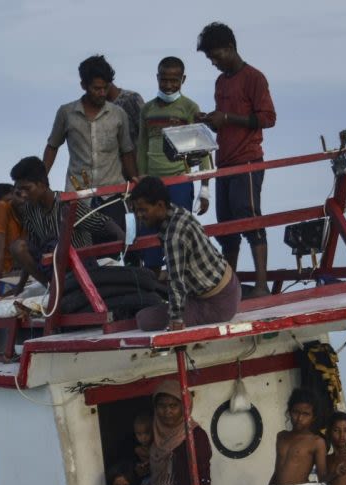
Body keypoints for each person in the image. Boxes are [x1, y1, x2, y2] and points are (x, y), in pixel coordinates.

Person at [195, 22, 276, 297]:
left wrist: (227, 118)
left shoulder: (254, 78)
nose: (214, 62)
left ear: (230, 48)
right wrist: (210, 120)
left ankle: (262, 285)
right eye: (210, 58)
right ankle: (231, 287)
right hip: (225, 162)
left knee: (250, 218)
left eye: (216, 56)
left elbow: (268, 118)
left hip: (248, 160)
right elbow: (222, 121)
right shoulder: (221, 82)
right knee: (226, 226)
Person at [129, 177, 240, 332]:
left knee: (144, 319)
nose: (139, 216)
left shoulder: (173, 236)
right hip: (228, 286)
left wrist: (176, 319)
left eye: (143, 210)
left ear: (160, 205)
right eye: (136, 211)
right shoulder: (176, 212)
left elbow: (176, 281)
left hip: (217, 303)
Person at [7, 156, 124, 287]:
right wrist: (20, 287)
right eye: (20, 190)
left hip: (80, 267)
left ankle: (63, 288)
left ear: (42, 184)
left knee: (57, 245)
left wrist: (128, 245)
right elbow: (33, 247)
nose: (23, 194)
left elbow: (104, 222)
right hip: (53, 270)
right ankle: (51, 288)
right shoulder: (29, 210)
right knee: (17, 247)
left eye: (27, 189)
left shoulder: (67, 204)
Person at [136, 57, 205, 270]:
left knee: (180, 231)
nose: (168, 85)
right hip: (152, 181)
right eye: (164, 80)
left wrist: (205, 188)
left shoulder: (189, 108)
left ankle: (181, 275)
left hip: (179, 180)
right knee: (149, 233)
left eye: (174, 81)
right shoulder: (147, 110)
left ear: (183, 79)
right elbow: (142, 145)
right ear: (157, 78)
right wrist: (141, 178)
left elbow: (202, 148)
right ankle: (153, 277)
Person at [43, 55, 136, 195]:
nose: (102, 93)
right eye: (97, 88)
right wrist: (42, 179)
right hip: (78, 192)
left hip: (113, 192)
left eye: (106, 88)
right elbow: (52, 146)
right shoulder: (66, 113)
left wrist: (134, 180)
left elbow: (127, 152)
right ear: (83, 86)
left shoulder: (118, 114)